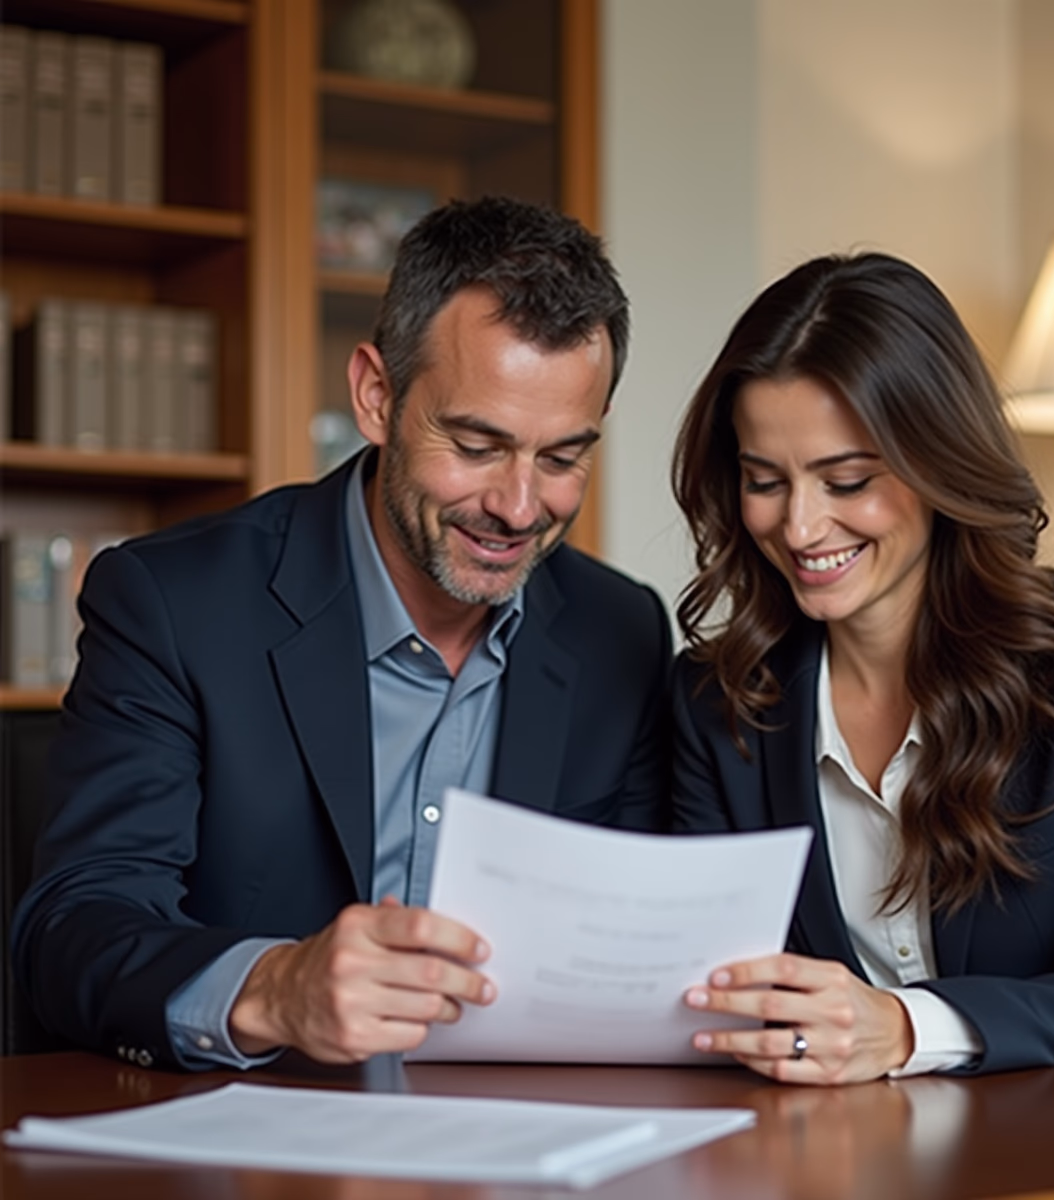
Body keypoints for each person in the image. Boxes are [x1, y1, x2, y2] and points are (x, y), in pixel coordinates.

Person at [13, 197, 673, 1071]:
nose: (520, 508)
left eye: (561, 458)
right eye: (476, 445)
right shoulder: (172, 603)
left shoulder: (618, 631)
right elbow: (73, 930)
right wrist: (276, 988)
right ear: (376, 396)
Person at [670, 251, 1054, 1082]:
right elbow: (702, 994)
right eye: (764, 481)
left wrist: (906, 1029)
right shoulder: (716, 701)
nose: (802, 528)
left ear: (937, 462)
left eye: (846, 481)